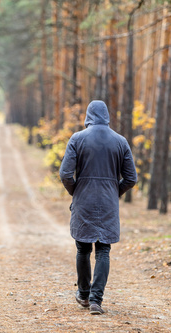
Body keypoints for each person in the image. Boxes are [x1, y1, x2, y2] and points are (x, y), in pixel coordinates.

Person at [59, 100, 138, 315]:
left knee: (83, 248)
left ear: (88, 116)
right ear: (107, 115)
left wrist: (76, 191)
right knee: (103, 250)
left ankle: (84, 295)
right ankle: (96, 300)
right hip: (108, 202)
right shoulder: (120, 141)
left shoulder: (77, 139)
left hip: (83, 201)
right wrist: (116, 191)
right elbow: (131, 177)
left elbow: (65, 174)